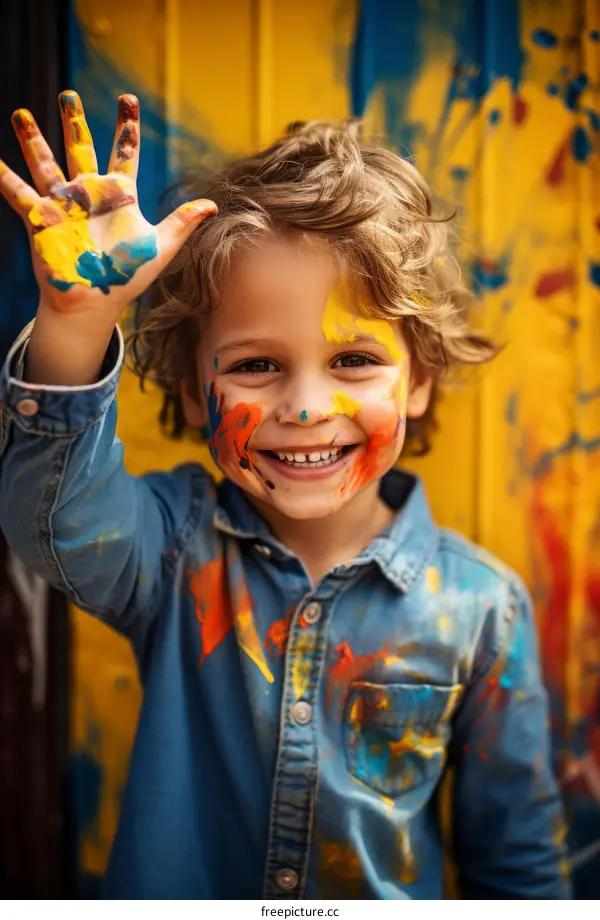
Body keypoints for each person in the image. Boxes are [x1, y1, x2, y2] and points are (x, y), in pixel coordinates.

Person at [0, 91, 571, 900]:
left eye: (353, 362)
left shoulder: (483, 609)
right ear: (196, 394)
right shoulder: (171, 549)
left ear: (422, 380)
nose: (305, 407)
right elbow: (53, 522)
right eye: (256, 365)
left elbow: (519, 868)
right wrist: (76, 323)